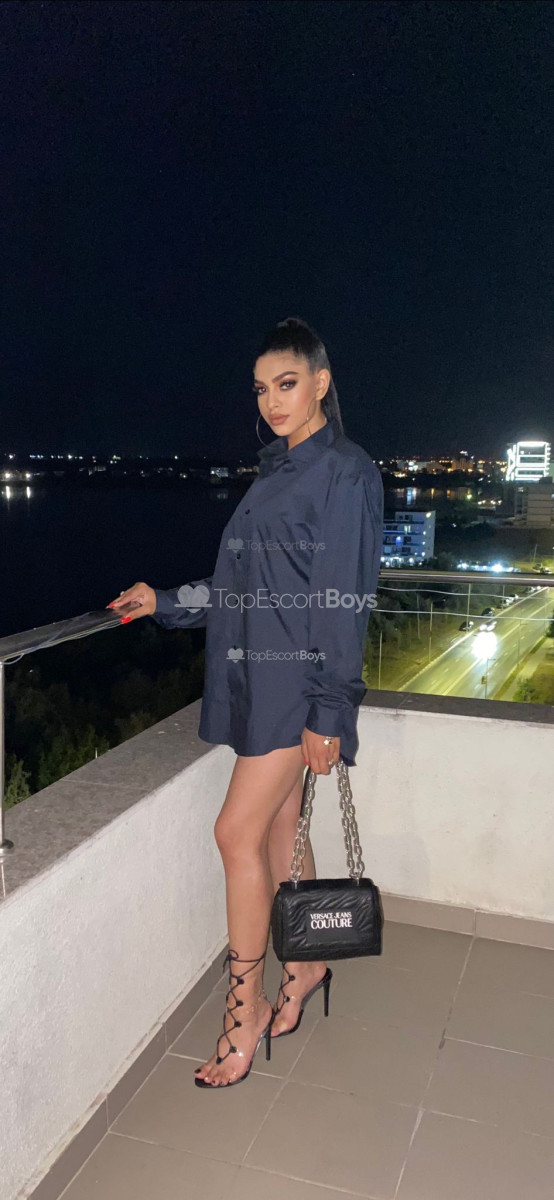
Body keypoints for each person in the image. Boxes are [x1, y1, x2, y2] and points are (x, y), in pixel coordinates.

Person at [106, 317, 384, 1088]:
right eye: (261, 389)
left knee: (235, 832)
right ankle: (307, 970)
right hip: (259, 679)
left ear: (321, 382)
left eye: (286, 384)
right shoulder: (276, 473)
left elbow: (344, 602)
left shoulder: (346, 474)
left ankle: (245, 1011)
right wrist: (164, 601)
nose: (271, 401)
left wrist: (329, 710)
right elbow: (239, 586)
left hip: (297, 688)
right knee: (279, 829)